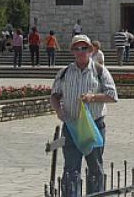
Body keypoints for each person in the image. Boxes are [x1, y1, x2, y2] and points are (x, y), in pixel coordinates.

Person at [49, 34, 118, 196]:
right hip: (72, 127)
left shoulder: (100, 71)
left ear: (91, 50)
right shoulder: (65, 72)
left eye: (84, 48)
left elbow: (113, 95)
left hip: (93, 127)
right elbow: (54, 95)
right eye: (77, 48)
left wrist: (93, 97)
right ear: (72, 51)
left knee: (95, 167)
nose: (81, 52)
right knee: (71, 168)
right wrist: (58, 111)